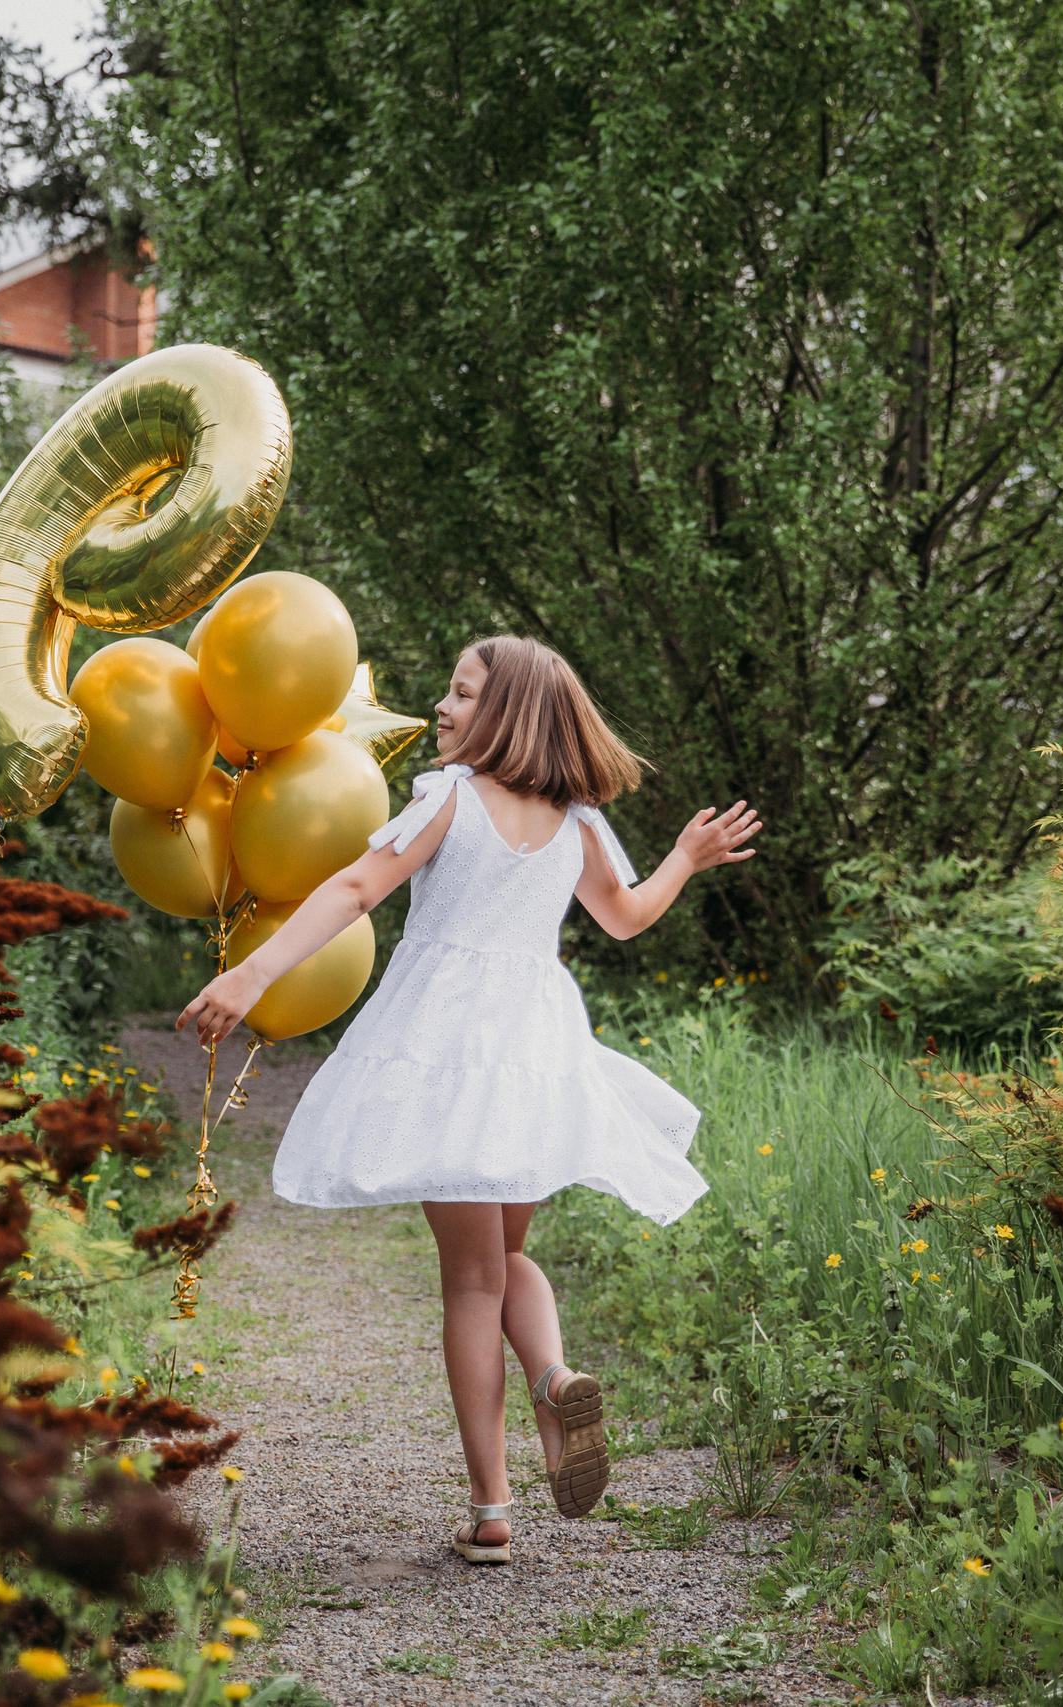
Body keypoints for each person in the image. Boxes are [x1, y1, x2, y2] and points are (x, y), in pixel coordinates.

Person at [178, 635, 761, 1565]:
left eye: (460, 694)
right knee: (512, 1252)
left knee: (472, 1278)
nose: (441, 709)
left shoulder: (446, 797)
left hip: (444, 1048)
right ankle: (554, 1370)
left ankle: (493, 1506)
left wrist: (250, 973)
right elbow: (627, 917)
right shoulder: (576, 822)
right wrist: (686, 857)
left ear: (509, 714)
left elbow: (361, 884)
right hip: (534, 1049)